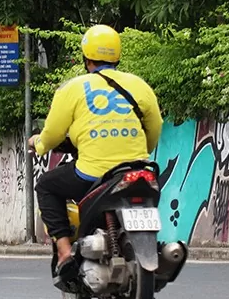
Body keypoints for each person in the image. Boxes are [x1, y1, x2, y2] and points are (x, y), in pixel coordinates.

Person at [28, 24, 163, 284]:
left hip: (92, 173)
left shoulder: (73, 88)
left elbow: (54, 132)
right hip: (139, 168)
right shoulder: (139, 85)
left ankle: (65, 252)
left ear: (85, 57)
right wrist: (142, 151)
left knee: (46, 185)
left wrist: (39, 143)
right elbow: (154, 127)